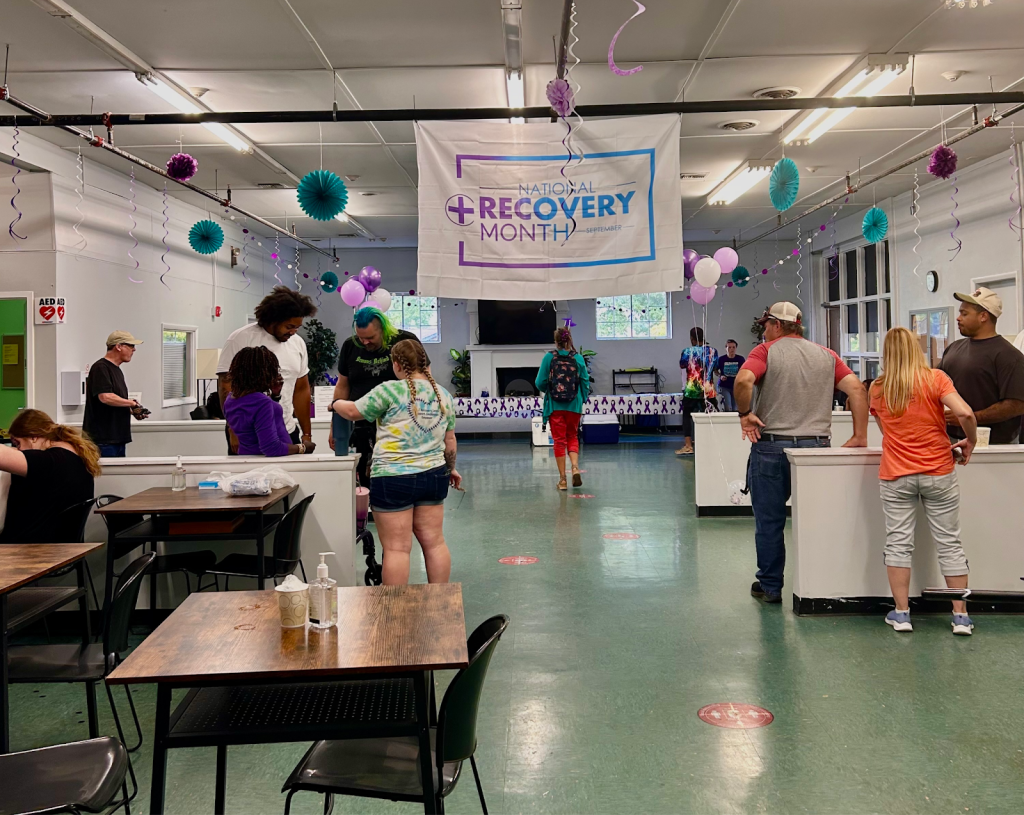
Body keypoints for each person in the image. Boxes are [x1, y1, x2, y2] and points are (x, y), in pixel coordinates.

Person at [733, 302, 868, 604]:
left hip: (771, 448)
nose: (764, 330)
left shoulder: (765, 352)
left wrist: (744, 414)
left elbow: (743, 380)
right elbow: (858, 390)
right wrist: (860, 435)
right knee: (818, 519)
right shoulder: (827, 356)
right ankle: (820, 587)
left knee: (769, 522)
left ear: (777, 326)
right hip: (816, 449)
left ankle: (770, 587)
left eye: (766, 325)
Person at [869, 327, 978, 636]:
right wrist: (970, 442)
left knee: (898, 543)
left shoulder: (877, 388)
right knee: (950, 544)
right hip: (938, 472)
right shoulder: (936, 379)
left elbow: (885, 431)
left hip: (896, 474)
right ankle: (960, 617)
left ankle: (901, 614)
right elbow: (966, 413)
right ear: (917, 350)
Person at [330, 339, 459, 585]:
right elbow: (450, 440)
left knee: (398, 549)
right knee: (434, 542)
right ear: (425, 363)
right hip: (434, 475)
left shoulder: (389, 390)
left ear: (397, 364)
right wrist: (451, 469)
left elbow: (353, 411)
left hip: (392, 477)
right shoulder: (444, 395)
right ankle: (440, 603)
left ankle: (395, 613)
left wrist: (335, 403)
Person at [329, 307, 429, 485]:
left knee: (394, 477)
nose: (365, 342)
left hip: (397, 425)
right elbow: (342, 386)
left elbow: (424, 378)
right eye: (361, 338)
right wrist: (335, 427)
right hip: (359, 422)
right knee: (362, 479)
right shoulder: (350, 346)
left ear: (383, 329)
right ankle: (366, 512)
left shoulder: (404, 341)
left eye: (370, 338)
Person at [217, 286, 317, 455]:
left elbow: (301, 389)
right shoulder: (240, 338)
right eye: (289, 326)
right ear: (273, 320)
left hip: (285, 428)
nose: (293, 332)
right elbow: (226, 387)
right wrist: (232, 429)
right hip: (247, 435)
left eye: (297, 328)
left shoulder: (298, 343)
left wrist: (306, 434)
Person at [938, 288, 1024, 445]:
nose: (958, 318)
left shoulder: (1010, 356)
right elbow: (936, 384)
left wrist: (969, 417)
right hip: (949, 438)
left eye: (964, 314)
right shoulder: (953, 348)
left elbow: (1016, 405)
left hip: (992, 443)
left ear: (983, 316)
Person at [0, 409, 99, 543]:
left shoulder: (48, 462)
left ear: (34, 437)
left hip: (30, 551)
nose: (18, 450)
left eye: (17, 443)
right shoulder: (76, 459)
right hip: (63, 550)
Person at [223, 347, 315, 457]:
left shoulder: (231, 399)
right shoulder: (262, 402)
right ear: (264, 372)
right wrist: (303, 447)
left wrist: (275, 396)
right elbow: (272, 448)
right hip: (272, 464)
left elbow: (251, 420)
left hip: (248, 458)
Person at [535, 327, 591, 491]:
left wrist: (551, 390)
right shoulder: (578, 358)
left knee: (559, 441)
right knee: (572, 436)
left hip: (555, 405)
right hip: (574, 405)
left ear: (556, 341)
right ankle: (574, 467)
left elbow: (539, 382)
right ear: (569, 340)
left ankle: (563, 480)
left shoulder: (549, 357)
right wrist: (581, 398)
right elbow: (585, 382)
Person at [82, 330, 148, 457]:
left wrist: (131, 409)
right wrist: (131, 403)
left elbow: (113, 401)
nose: (134, 350)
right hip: (103, 440)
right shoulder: (101, 368)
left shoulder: (116, 370)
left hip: (117, 438)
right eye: (131, 346)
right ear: (118, 346)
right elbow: (105, 397)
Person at [676, 327, 718, 456]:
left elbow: (683, 367)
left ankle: (688, 445)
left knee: (687, 416)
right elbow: (715, 367)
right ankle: (715, 442)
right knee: (713, 415)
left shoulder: (687, 352)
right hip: (708, 389)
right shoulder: (713, 351)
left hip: (691, 389)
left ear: (692, 338)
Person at [715, 339, 745, 412]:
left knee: (735, 408)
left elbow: (744, 371)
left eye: (733, 347)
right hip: (724, 386)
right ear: (726, 349)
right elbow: (715, 370)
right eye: (729, 347)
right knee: (728, 407)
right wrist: (720, 376)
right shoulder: (721, 359)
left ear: (736, 348)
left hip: (736, 386)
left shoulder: (740, 359)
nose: (731, 349)